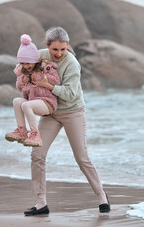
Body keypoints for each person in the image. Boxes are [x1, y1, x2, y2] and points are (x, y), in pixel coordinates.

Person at [23, 27, 110, 216]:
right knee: (37, 154)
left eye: (63, 49)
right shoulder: (40, 55)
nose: (59, 54)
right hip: (51, 112)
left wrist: (47, 85)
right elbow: (24, 67)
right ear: (47, 46)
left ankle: (101, 195)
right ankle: (41, 203)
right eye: (55, 49)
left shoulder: (72, 64)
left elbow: (70, 95)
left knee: (81, 158)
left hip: (73, 112)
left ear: (67, 46)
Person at [5, 34, 60, 147]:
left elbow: (56, 81)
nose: (26, 66)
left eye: (28, 63)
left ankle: (35, 135)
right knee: (16, 101)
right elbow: (20, 87)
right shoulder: (23, 71)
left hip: (47, 103)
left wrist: (41, 77)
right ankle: (22, 131)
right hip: (33, 101)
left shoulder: (47, 68)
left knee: (26, 106)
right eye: (23, 63)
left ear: (35, 61)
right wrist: (23, 81)